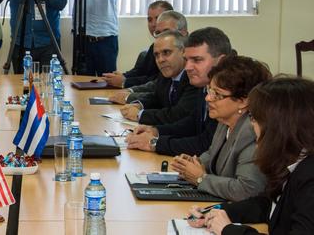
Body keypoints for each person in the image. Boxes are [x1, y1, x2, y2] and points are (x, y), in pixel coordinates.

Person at [188, 77, 314, 234]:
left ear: (278, 125)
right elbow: (269, 206)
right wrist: (216, 212)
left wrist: (228, 230)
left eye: (254, 118)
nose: (251, 125)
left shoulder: (309, 176)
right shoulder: (294, 161)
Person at [170, 55, 271, 201]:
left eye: (217, 94)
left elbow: (247, 189)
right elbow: (212, 154)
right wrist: (194, 163)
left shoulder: (253, 131)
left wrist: (200, 178)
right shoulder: (225, 120)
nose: (208, 98)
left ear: (243, 101)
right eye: (209, 90)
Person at [126, 27, 232, 156]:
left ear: (221, 61)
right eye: (187, 60)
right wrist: (156, 130)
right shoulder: (204, 86)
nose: (187, 67)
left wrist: (155, 143)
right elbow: (191, 124)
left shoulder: (230, 97)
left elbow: (206, 144)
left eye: (197, 60)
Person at [117, 30, 201, 125]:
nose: (160, 60)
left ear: (183, 52)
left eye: (166, 52)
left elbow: (178, 114)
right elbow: (157, 98)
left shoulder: (193, 78)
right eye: (156, 55)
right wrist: (139, 105)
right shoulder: (166, 73)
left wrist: (140, 115)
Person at [108, 10, 189, 104]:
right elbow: (157, 89)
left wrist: (141, 113)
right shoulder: (156, 49)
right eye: (158, 33)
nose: (161, 59)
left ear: (183, 34)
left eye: (167, 32)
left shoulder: (192, 70)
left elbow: (179, 113)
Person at [102, 1, 173, 88]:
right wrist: (123, 76)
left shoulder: (176, 49)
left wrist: (125, 82)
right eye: (150, 20)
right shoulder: (154, 46)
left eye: (158, 18)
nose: (153, 24)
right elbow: (140, 71)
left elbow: (156, 80)